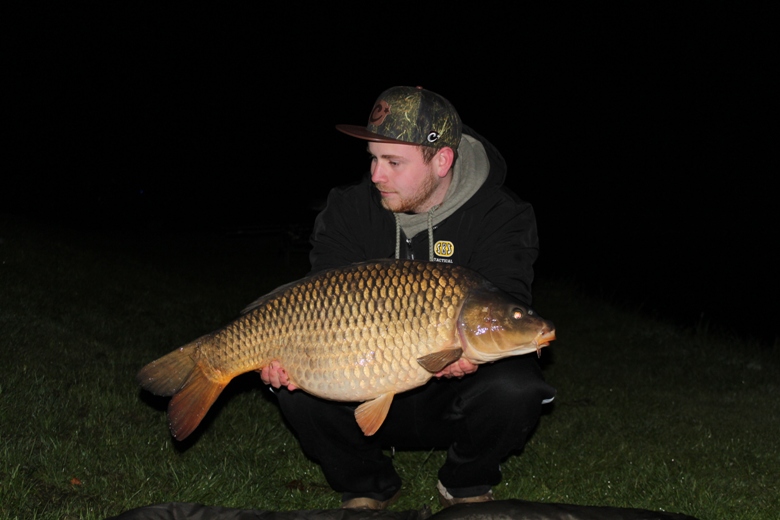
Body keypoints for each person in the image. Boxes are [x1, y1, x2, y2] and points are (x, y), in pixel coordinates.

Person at [261, 85, 555, 510]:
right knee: (296, 388)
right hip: (359, 374)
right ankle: (367, 483)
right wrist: (289, 357)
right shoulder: (349, 209)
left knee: (517, 385)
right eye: (373, 160)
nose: (377, 175)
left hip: (454, 395)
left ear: (442, 160)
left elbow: (504, 301)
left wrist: (465, 351)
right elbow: (318, 297)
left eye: (393, 162)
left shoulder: (500, 215)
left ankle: (466, 483)